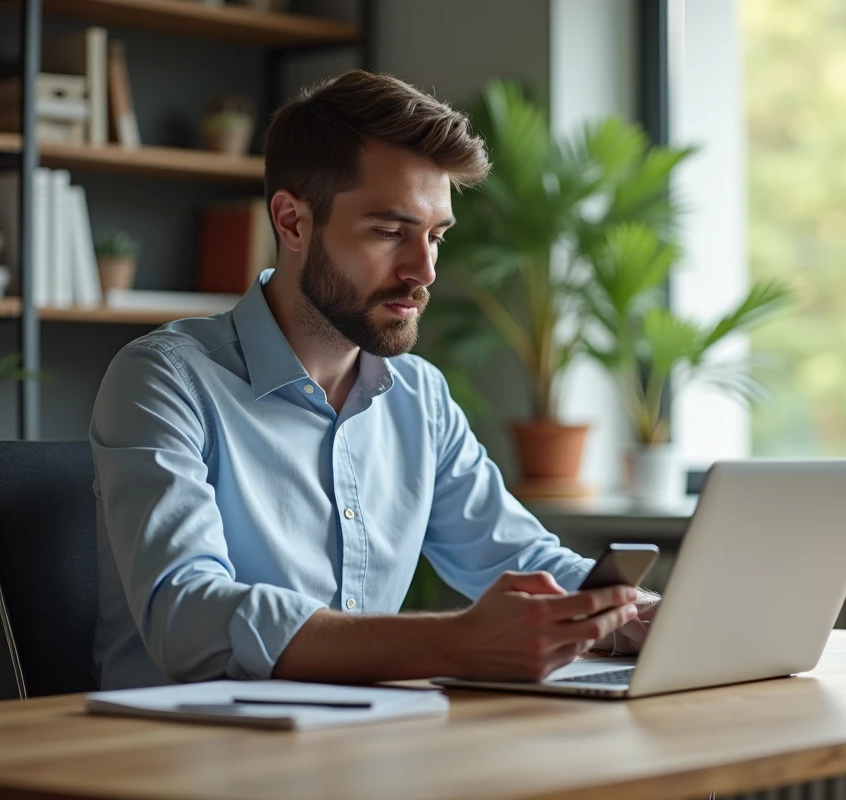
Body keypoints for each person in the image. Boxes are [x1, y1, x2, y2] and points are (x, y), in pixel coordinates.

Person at [90, 70, 659, 690]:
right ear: (292, 222)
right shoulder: (164, 380)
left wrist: (638, 613)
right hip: (187, 739)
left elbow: (520, 558)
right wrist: (456, 643)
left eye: (435, 236)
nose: (425, 270)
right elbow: (188, 618)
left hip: (367, 732)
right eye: (390, 232)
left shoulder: (420, 398)